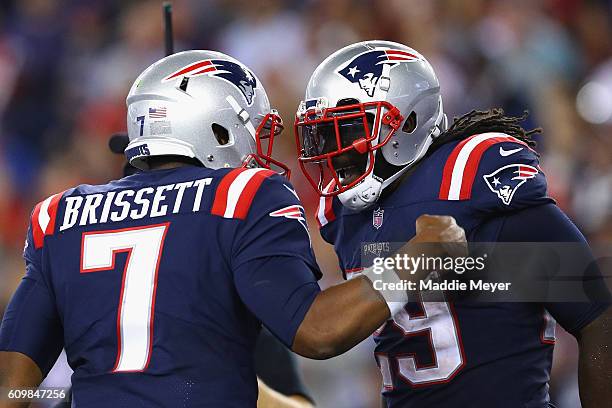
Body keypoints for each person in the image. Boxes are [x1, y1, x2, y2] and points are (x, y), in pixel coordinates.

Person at [0, 50, 465, 408]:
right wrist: (416, 258)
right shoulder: (241, 195)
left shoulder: (58, 215)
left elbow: (11, 387)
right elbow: (318, 331)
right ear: (218, 128)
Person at [293, 40, 612, 408]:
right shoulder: (346, 215)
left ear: (407, 121)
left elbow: (596, 315)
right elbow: (330, 333)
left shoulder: (469, 180)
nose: (337, 149)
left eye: (348, 132)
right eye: (325, 135)